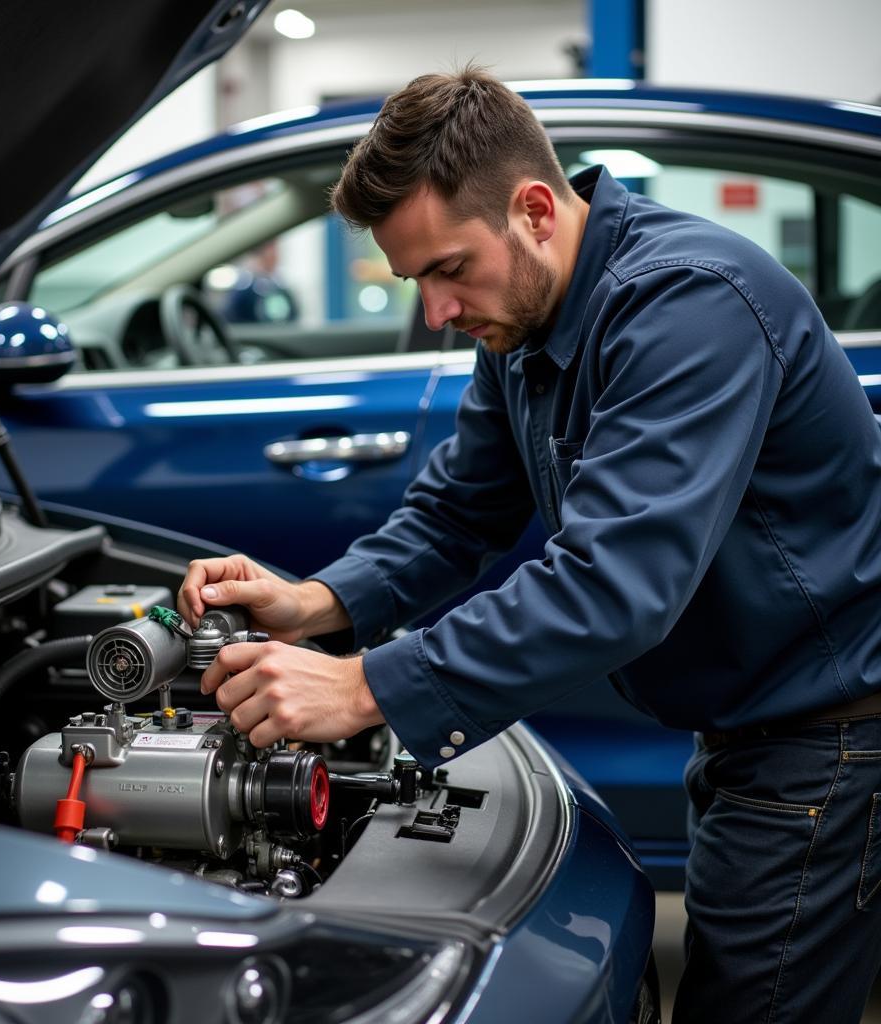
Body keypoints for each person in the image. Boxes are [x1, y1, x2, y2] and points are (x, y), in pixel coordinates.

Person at [178, 67, 881, 1023]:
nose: (437, 311)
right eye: (416, 280)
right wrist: (317, 603)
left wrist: (366, 687)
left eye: (448, 268)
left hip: (832, 736)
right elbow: (459, 513)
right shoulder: (530, 318)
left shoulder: (690, 306)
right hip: (757, 724)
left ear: (537, 210)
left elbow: (615, 584)